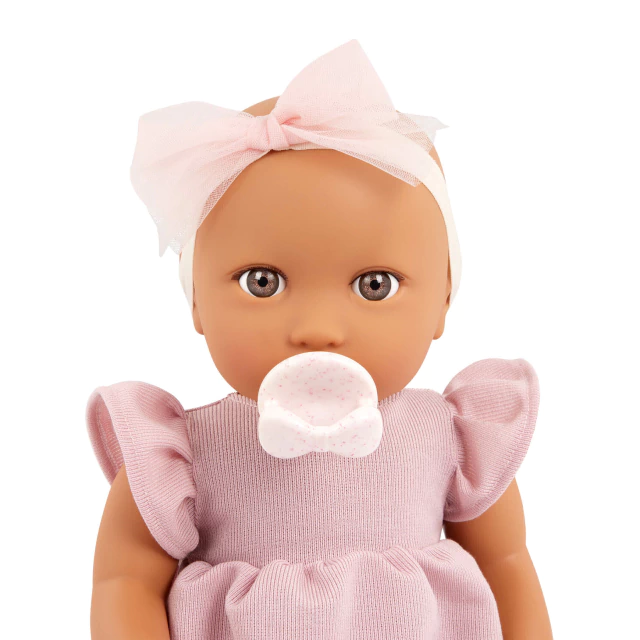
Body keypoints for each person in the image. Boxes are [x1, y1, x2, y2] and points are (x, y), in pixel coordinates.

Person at [86, 39, 552, 639]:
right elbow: (124, 581)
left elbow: (507, 562)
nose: (317, 328)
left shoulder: (453, 436)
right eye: (262, 282)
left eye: (375, 285)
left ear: (443, 301)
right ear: (196, 300)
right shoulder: (183, 453)